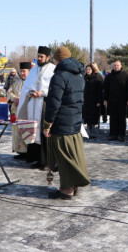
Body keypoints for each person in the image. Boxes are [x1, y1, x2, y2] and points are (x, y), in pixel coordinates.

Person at [43, 47, 90, 200]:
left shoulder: (59, 76)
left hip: (62, 123)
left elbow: (54, 103)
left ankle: (66, 189)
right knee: (73, 155)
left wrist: (48, 124)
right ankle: (74, 185)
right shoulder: (79, 75)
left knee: (64, 158)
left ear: (58, 59)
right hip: (75, 121)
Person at [17, 46, 55, 170]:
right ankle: (37, 159)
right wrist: (29, 92)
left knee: (44, 133)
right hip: (32, 104)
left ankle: (47, 161)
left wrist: (42, 92)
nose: (38, 58)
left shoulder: (52, 70)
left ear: (48, 57)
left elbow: (54, 89)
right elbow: (26, 87)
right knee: (33, 131)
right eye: (38, 56)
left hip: (44, 104)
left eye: (41, 56)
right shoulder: (33, 70)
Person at [7, 62, 31, 159]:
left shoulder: (32, 83)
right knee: (17, 131)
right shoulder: (16, 83)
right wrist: (14, 98)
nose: (22, 73)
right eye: (21, 71)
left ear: (29, 72)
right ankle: (20, 152)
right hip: (16, 112)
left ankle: (28, 152)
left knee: (27, 130)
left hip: (28, 112)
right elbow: (9, 92)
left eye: (24, 71)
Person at [103, 60, 128, 142]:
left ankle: (122, 135)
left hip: (122, 101)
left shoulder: (125, 75)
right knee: (113, 118)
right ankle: (113, 134)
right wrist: (105, 99)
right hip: (112, 101)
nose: (116, 67)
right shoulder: (109, 76)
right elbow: (106, 88)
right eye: (115, 65)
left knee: (122, 118)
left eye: (117, 65)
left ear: (121, 66)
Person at [83, 63, 103, 138]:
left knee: (94, 116)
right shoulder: (84, 78)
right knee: (87, 116)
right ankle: (88, 130)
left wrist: (98, 101)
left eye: (89, 69)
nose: (88, 71)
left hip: (94, 101)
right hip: (86, 100)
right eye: (87, 69)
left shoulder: (96, 78)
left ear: (92, 70)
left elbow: (99, 91)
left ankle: (94, 131)